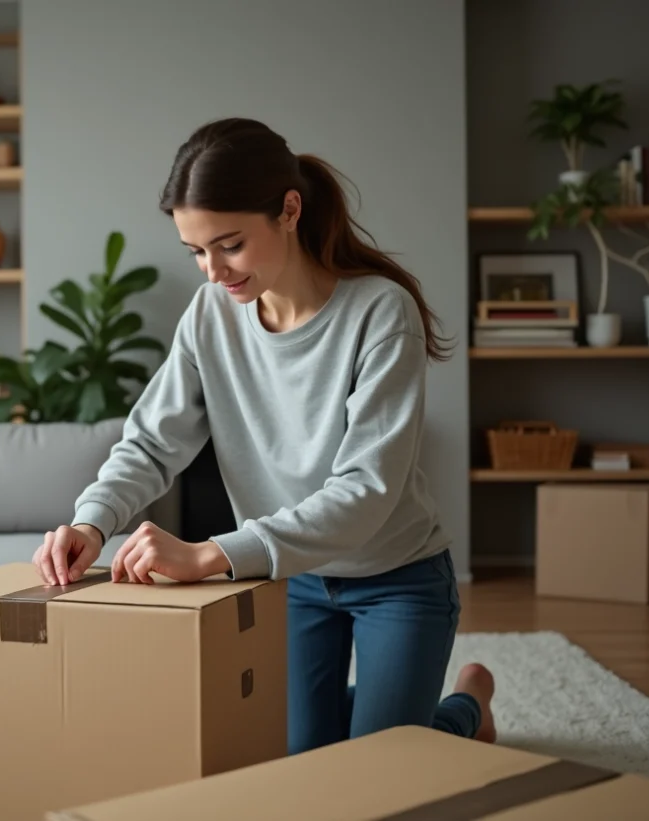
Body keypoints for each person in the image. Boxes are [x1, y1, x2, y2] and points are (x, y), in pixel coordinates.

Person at [31, 117, 497, 755]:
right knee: (302, 759)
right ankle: (395, 713)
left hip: (396, 576)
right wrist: (91, 522)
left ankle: (466, 707)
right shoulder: (210, 315)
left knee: (383, 771)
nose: (212, 271)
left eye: (228, 245)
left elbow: (365, 491)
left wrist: (210, 554)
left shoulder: (381, 313)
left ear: (289, 210)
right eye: (196, 251)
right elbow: (151, 441)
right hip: (292, 579)